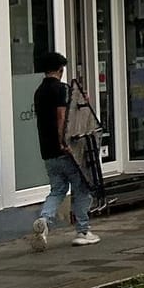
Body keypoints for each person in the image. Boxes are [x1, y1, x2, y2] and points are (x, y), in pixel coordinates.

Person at [31, 51, 98, 249]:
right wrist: (64, 141)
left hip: (47, 150)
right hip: (65, 150)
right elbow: (62, 116)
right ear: (60, 70)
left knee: (58, 189)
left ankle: (44, 220)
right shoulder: (61, 89)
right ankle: (83, 231)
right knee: (81, 188)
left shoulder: (39, 91)